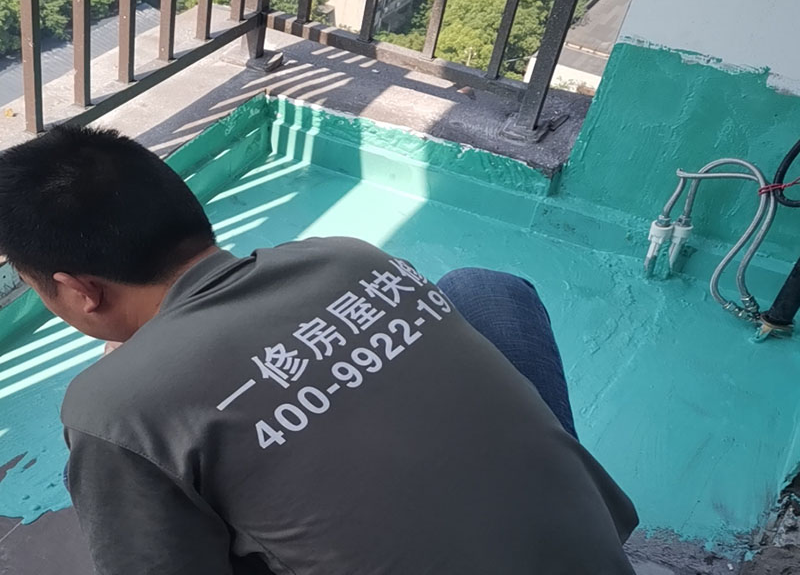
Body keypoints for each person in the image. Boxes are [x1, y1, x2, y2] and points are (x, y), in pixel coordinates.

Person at [0, 127, 638, 575]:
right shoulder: (347, 257)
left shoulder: (112, 406)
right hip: (595, 558)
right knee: (482, 291)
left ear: (79, 290)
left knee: (159, 486)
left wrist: (129, 399)